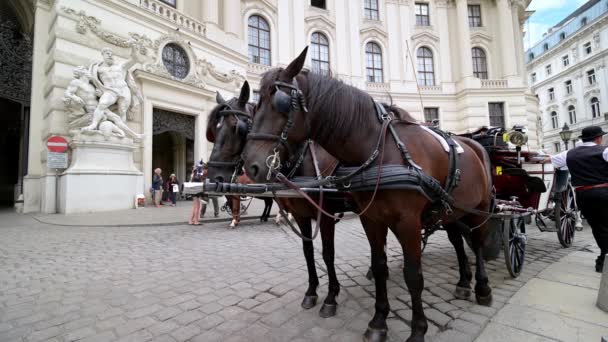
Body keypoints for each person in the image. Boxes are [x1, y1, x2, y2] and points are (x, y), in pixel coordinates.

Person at [550, 125, 608, 272]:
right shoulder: (604, 151)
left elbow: (550, 162)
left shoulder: (569, 154)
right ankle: (604, 257)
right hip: (604, 192)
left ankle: (604, 256)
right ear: (599, 138)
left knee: (598, 227)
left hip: (583, 195)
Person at [189, 161, 204, 225]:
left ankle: (191, 220)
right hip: (197, 192)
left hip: (194, 192)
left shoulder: (193, 175)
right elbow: (200, 184)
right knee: (197, 207)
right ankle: (195, 221)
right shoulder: (198, 176)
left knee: (195, 206)